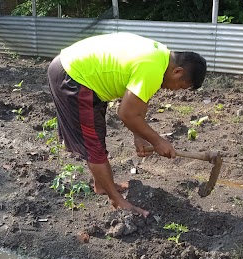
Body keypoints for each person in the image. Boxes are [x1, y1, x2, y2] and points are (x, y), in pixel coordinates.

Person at [47, 32, 207, 217]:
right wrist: (157, 141)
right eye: (180, 85)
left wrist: (138, 135)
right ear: (177, 71)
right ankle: (116, 199)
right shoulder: (153, 69)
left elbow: (137, 102)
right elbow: (126, 113)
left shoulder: (160, 57)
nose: (174, 90)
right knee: (93, 143)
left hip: (79, 72)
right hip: (74, 77)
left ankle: (102, 185)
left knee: (96, 133)